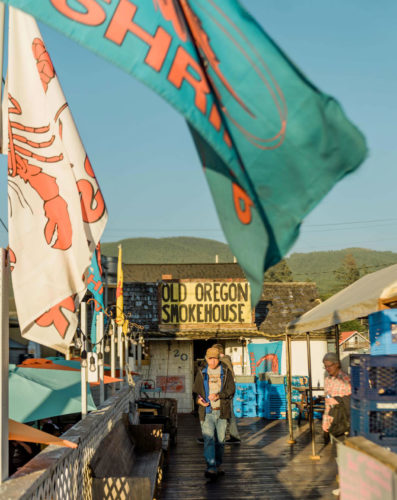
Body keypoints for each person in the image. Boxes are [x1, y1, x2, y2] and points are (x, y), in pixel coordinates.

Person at [193, 347, 235, 479]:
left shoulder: (226, 372)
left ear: (219, 359)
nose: (212, 361)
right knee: (209, 440)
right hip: (206, 412)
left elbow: (231, 390)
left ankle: (217, 465)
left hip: (222, 411)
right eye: (210, 359)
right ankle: (211, 467)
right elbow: (196, 393)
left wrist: (219, 395)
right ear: (206, 359)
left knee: (221, 441)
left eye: (215, 359)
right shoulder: (201, 372)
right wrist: (199, 401)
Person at [212, 343, 241, 444]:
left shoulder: (224, 362)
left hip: (225, 392)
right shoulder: (226, 360)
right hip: (226, 391)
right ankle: (233, 435)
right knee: (227, 414)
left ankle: (222, 436)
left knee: (225, 414)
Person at [322, 352, 351, 440]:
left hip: (343, 420)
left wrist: (337, 400)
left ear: (337, 364)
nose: (327, 369)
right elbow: (327, 399)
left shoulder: (346, 379)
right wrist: (325, 421)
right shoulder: (327, 380)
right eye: (325, 366)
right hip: (330, 420)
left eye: (329, 366)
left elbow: (350, 400)